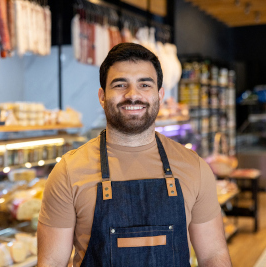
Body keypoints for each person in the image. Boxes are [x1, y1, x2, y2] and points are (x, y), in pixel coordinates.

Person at [37, 43, 232, 267]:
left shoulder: (194, 167)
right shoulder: (68, 171)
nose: (133, 95)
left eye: (144, 85)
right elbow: (51, 262)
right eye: (120, 85)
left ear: (159, 95)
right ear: (102, 96)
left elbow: (213, 255)